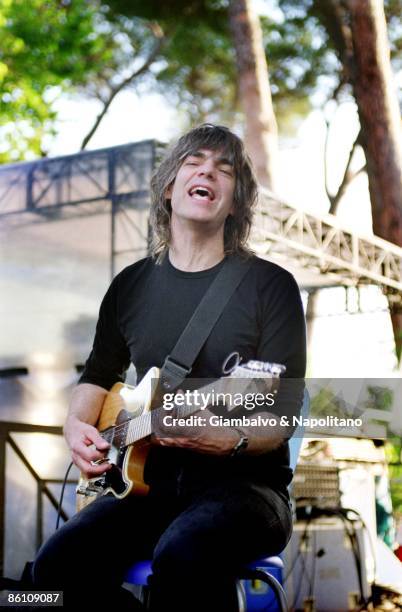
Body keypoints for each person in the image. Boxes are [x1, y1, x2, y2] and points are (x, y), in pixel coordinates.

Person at [32, 124, 306, 611]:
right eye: (194, 161)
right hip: (147, 487)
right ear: (169, 186)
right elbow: (97, 374)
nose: (208, 171)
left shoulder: (271, 286)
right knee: (52, 575)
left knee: (183, 555)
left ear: (237, 202)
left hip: (247, 490)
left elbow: (281, 418)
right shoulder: (130, 286)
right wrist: (76, 426)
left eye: (225, 169)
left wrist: (226, 440)